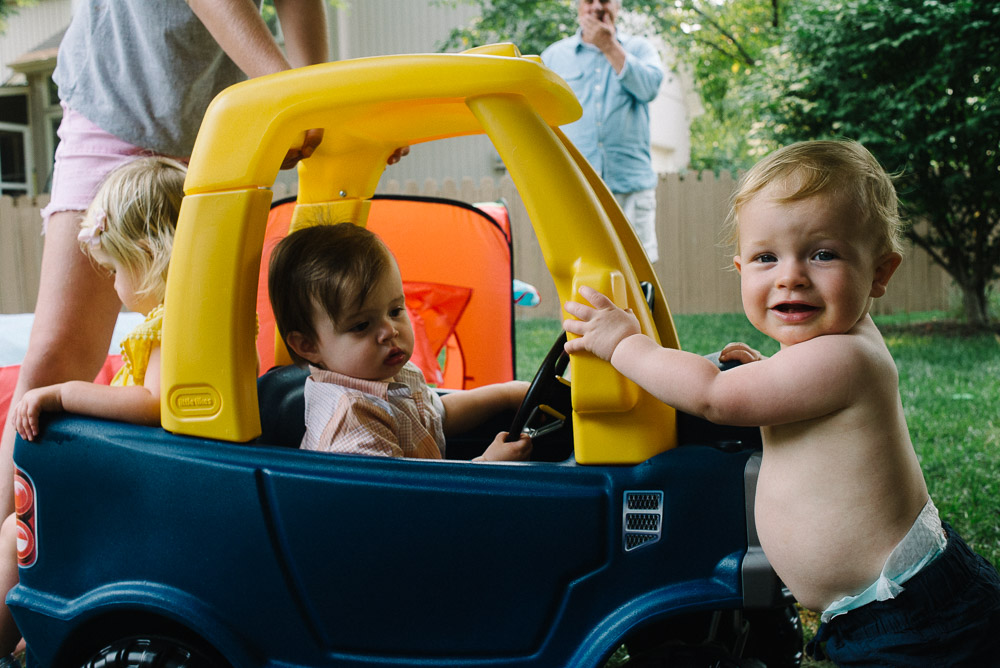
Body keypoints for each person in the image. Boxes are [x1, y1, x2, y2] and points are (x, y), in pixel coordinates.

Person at [562, 140, 1000, 664]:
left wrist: (625, 345)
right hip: (879, 607)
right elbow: (782, 388)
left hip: (911, 614)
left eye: (823, 254)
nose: (790, 275)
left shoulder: (847, 359)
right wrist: (762, 369)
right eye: (767, 258)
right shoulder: (821, 350)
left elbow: (715, 396)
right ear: (741, 267)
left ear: (880, 273)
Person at [0, 0, 340, 528]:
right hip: (122, 92)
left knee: (203, 346)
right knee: (58, 352)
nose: (115, 279)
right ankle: (14, 532)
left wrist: (316, 102)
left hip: (219, 125)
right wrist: (299, 97)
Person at [1, 157, 187, 664]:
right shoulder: (192, 318)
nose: (112, 286)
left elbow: (151, 404)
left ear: (148, 256)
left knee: (24, 521)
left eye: (114, 271)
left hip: (143, 490)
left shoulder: (172, 326)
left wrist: (62, 394)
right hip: (148, 476)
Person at [268, 223, 532, 462]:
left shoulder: (387, 374)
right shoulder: (352, 423)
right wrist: (488, 465)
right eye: (361, 326)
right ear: (308, 346)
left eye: (395, 311)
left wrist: (507, 394)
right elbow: (407, 505)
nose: (390, 331)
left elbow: (439, 416)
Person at [541, 0, 663, 263]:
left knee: (639, 271)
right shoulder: (553, 56)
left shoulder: (640, 49)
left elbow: (650, 88)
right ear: (577, 6)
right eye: (588, 0)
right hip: (577, 189)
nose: (597, 6)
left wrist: (609, 46)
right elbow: (542, 117)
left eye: (605, 0)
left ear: (617, 5)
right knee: (583, 266)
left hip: (631, 186)